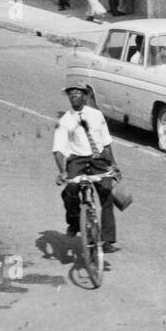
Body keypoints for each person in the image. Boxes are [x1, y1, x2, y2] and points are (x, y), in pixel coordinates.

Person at [52, 84, 120, 259]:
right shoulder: (65, 120)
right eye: (70, 93)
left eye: (77, 93)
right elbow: (58, 150)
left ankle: (106, 240)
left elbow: (106, 143)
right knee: (71, 190)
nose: (74, 96)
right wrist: (62, 171)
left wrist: (113, 165)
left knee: (106, 194)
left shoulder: (97, 115)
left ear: (85, 96)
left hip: (98, 160)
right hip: (77, 160)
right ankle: (74, 222)